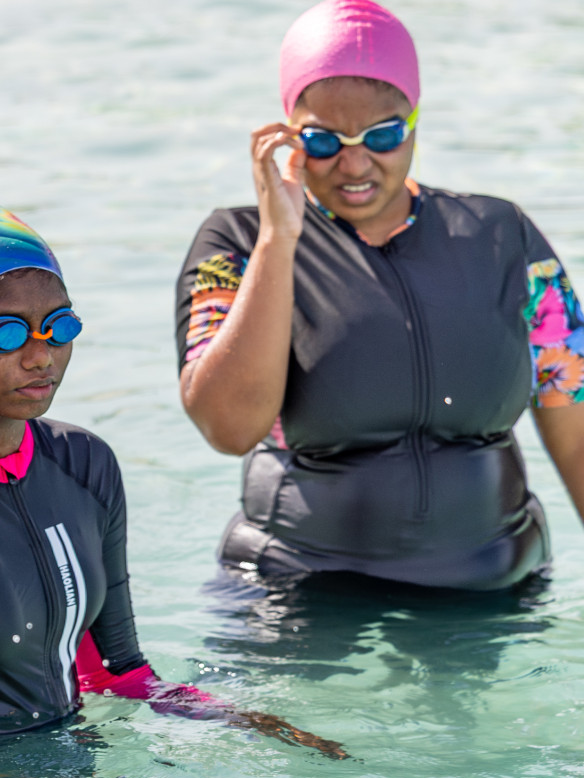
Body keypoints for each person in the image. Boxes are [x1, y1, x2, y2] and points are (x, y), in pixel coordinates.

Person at [0, 198, 344, 757]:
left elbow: (119, 672)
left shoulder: (83, 464)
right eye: (4, 334)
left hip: (73, 770)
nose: (42, 355)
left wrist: (251, 723)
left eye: (59, 325)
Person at [175, 0, 584, 590]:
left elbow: (572, 419)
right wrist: (278, 240)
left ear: (414, 121)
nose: (355, 163)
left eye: (383, 134)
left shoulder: (503, 236)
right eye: (323, 141)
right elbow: (228, 428)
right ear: (289, 134)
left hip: (490, 591)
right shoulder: (236, 243)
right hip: (303, 590)